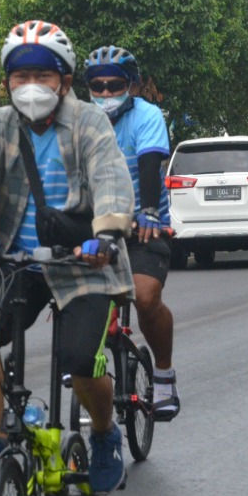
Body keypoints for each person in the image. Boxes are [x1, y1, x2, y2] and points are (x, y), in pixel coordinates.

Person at [0, 20, 135, 495]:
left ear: (64, 81)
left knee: (80, 361)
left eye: (42, 76)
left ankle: (105, 435)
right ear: (7, 82)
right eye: (20, 77)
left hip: (83, 263)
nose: (30, 87)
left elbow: (110, 181)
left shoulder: (90, 121)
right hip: (13, 262)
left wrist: (105, 237)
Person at [82, 45, 179, 418]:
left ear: (133, 86)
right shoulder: (80, 119)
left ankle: (164, 374)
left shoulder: (147, 115)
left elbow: (150, 161)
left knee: (145, 297)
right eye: (98, 86)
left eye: (115, 85)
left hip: (143, 226)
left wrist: (150, 212)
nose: (106, 94)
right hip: (96, 227)